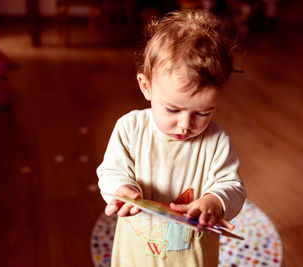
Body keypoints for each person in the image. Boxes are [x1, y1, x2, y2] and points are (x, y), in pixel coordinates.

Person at [97, 9, 246, 266]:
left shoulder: (216, 141)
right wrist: (121, 190)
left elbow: (232, 186)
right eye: (173, 109)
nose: (185, 124)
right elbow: (111, 171)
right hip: (137, 255)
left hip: (192, 258)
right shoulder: (130, 128)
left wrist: (215, 201)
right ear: (146, 87)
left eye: (203, 112)